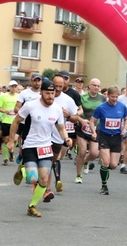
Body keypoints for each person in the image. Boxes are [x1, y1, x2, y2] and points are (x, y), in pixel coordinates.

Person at [7, 78, 72, 217]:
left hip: (46, 147)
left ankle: (32, 206)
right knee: (32, 179)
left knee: (43, 179)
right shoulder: (30, 106)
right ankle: (21, 169)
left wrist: (66, 137)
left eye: (53, 93)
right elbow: (16, 121)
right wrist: (11, 140)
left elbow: (61, 128)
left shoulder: (57, 110)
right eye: (47, 93)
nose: (50, 96)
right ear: (41, 92)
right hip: (30, 145)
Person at [90, 86, 127, 196]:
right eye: (112, 97)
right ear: (107, 96)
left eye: (116, 97)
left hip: (116, 137)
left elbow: (126, 119)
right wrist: (93, 132)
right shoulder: (101, 108)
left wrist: (125, 129)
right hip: (104, 136)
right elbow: (92, 121)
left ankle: (105, 169)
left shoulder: (122, 107)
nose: (114, 99)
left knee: (113, 165)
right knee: (106, 162)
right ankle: (104, 185)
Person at [75, 78, 105, 183]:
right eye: (94, 85)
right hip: (82, 127)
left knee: (94, 153)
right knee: (82, 151)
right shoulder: (82, 97)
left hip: (95, 129)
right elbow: (75, 112)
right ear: (89, 86)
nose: (96, 87)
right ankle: (79, 175)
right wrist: (81, 119)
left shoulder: (103, 98)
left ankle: (86, 162)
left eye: (98, 86)